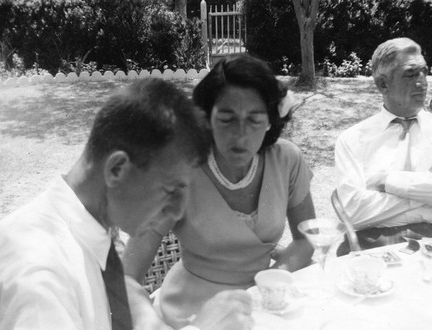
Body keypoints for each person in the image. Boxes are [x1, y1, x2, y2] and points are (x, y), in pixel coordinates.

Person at [0, 78, 254, 330]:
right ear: (117, 169)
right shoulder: (40, 282)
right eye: (171, 189)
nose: (178, 210)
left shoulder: (85, 230)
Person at [123, 54, 316, 329]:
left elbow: (306, 239)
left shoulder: (287, 160)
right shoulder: (180, 169)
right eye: (227, 119)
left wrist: (272, 281)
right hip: (191, 316)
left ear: (271, 120)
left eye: (254, 119)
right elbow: (126, 277)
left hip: (265, 308)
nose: (240, 135)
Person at [335, 37, 432, 254]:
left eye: (424, 72)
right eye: (410, 73)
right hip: (374, 243)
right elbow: (353, 211)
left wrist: (387, 181)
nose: (423, 82)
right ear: (383, 84)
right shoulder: (353, 139)